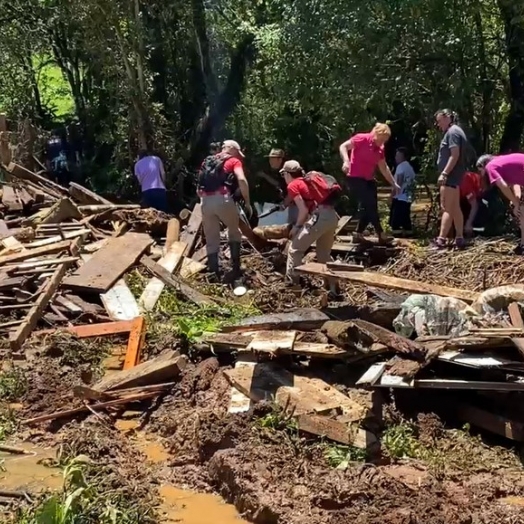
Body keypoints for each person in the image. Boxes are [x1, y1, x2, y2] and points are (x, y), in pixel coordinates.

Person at [281, 160, 341, 297]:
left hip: (320, 217)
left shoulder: (293, 185)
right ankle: (333, 285)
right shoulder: (307, 182)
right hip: (332, 216)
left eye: (284, 174)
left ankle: (292, 286)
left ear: (287, 174)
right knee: (323, 254)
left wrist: (296, 228)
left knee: (294, 249)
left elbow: (303, 210)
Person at [198, 139, 252, 278]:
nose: (239, 156)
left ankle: (214, 273)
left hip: (205, 200)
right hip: (223, 198)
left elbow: (199, 184)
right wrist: (247, 202)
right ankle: (235, 268)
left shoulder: (207, 160)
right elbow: (241, 179)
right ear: (232, 149)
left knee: (211, 238)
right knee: (234, 231)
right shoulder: (233, 161)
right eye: (238, 152)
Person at [339, 123, 400, 244]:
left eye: (385, 141)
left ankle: (358, 233)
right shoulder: (362, 138)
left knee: (370, 206)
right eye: (381, 139)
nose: (382, 143)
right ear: (376, 134)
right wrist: (346, 161)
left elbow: (383, 167)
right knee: (369, 204)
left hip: (368, 179)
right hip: (355, 178)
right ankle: (381, 233)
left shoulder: (380, 148)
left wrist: (394, 183)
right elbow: (343, 146)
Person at [433, 109, 469, 250]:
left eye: (440, 120)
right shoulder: (456, 131)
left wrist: (445, 173)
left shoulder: (453, 132)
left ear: (448, 118)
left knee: (447, 208)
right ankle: (459, 238)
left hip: (452, 176)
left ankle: (441, 240)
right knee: (455, 208)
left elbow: (454, 155)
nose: (438, 124)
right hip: (455, 176)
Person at [476, 153, 524, 253]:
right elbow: (516, 183)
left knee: (521, 212)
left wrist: (516, 203)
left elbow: (502, 185)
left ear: (483, 165)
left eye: (480, 171)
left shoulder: (490, 166)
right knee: (522, 212)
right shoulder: (502, 162)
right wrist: (517, 202)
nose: (481, 175)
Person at [389, 147, 416, 234]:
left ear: (404, 157)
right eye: (396, 155)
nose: (396, 158)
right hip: (408, 197)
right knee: (405, 219)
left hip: (400, 196)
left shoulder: (401, 166)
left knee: (395, 221)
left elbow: (398, 182)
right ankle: (408, 234)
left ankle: (396, 236)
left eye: (398, 156)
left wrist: (392, 194)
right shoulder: (409, 167)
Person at [459, 171, 483, 236]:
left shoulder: (464, 184)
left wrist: (469, 223)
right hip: (463, 197)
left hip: (479, 194)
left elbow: (474, 205)